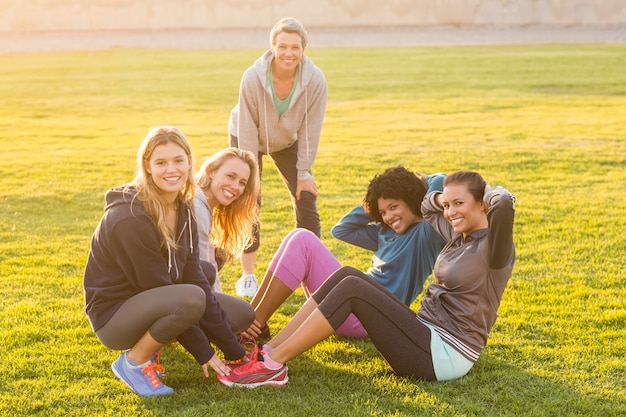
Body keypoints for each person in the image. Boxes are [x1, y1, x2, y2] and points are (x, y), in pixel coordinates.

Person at [217, 171, 516, 387]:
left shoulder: (496, 250)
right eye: (448, 206)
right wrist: (445, 198)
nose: (450, 212)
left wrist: (487, 191)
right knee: (346, 274)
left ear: (482, 204)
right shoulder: (457, 235)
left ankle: (272, 366)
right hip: (425, 333)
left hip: (444, 355)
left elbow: (504, 202)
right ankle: (268, 354)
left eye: (459, 204)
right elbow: (426, 205)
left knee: (353, 287)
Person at [83, 126, 251, 397]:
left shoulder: (183, 206)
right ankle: (135, 361)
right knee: (191, 299)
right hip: (114, 317)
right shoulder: (129, 218)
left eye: (178, 161)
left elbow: (194, 276)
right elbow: (162, 288)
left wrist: (235, 353)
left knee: (239, 312)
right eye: (161, 162)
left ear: (189, 162)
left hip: (155, 298)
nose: (171, 169)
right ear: (147, 166)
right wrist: (204, 353)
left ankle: (156, 343)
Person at [243, 167, 446, 340]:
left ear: (412, 200)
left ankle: (250, 326)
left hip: (369, 317)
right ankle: (250, 318)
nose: (389, 217)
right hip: (348, 302)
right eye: (382, 212)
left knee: (303, 240)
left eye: (394, 207)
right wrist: (374, 202)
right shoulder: (384, 232)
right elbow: (342, 230)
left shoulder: (426, 233)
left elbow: (442, 180)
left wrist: (424, 182)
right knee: (297, 236)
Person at [228, 16, 328, 298]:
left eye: (295, 47)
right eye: (282, 46)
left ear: (303, 49)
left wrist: (304, 172)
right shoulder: (252, 76)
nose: (288, 53)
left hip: (286, 140)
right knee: (248, 200)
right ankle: (248, 275)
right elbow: (247, 129)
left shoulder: (315, 80)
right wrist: (249, 177)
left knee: (305, 195)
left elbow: (311, 129)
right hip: (245, 138)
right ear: (272, 47)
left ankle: (313, 276)